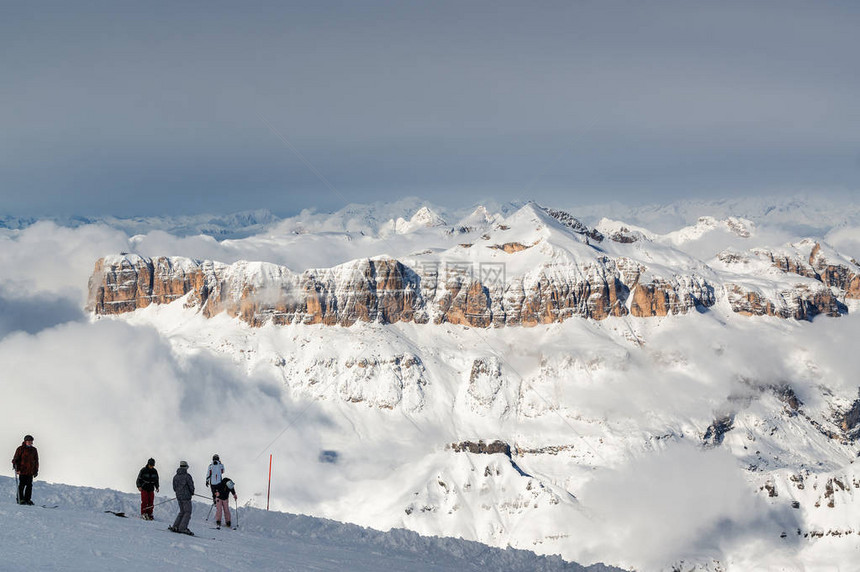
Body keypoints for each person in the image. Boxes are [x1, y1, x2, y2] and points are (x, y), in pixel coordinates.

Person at [169, 460, 195, 535]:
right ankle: (182, 528)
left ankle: (176, 526)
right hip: (186, 496)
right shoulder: (187, 476)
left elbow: (174, 488)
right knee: (187, 512)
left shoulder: (175, 477)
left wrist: (179, 492)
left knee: (182, 512)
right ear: (186, 467)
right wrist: (192, 492)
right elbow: (191, 486)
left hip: (179, 496)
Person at [12, 435, 39, 505]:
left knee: (29, 485)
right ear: (25, 441)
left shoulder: (34, 450)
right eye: (28, 441)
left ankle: (28, 499)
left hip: (30, 471)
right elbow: (16, 458)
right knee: (22, 485)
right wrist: (15, 466)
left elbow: (36, 460)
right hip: (22, 470)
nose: (30, 442)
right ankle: (20, 499)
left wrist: (36, 470)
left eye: (31, 441)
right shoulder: (20, 449)